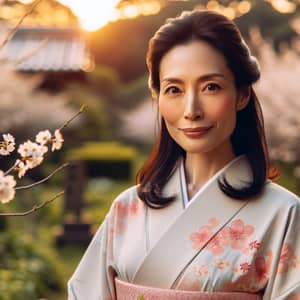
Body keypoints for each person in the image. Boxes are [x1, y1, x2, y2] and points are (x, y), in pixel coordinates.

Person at [68, 10, 300, 300]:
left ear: (241, 95)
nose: (191, 109)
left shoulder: (283, 212)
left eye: (211, 87)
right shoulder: (127, 208)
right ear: (158, 97)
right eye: (174, 89)